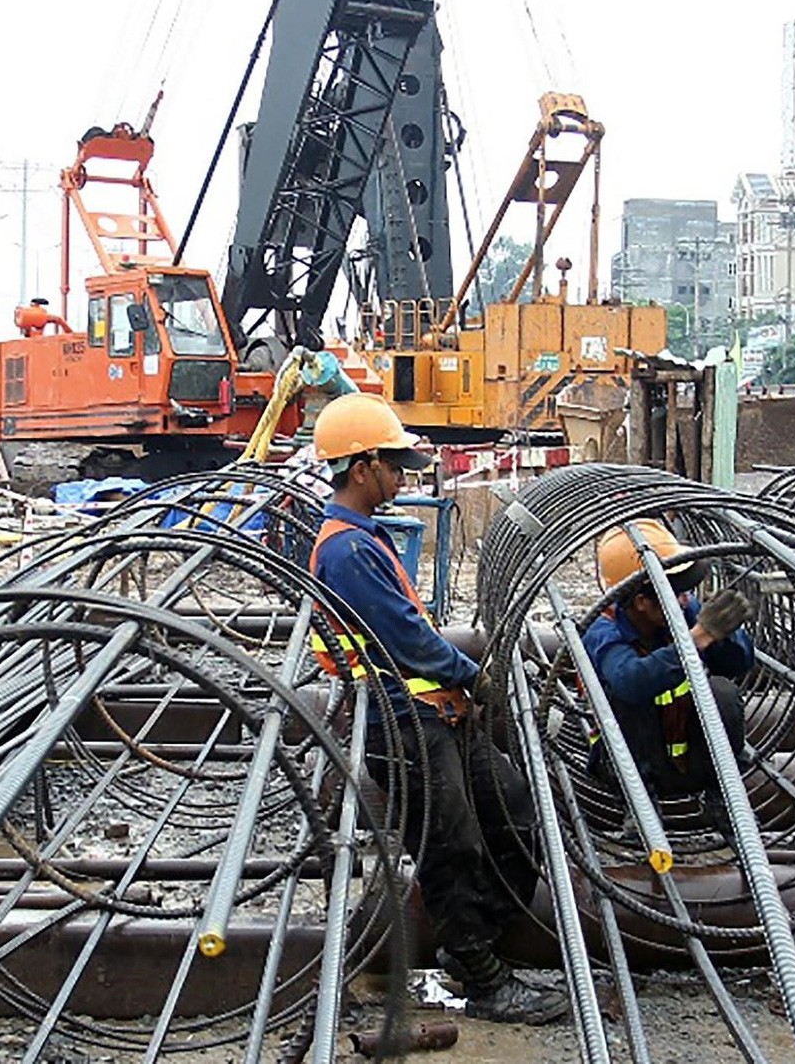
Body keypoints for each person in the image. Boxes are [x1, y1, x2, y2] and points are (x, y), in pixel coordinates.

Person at [304, 393, 568, 1025]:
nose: (401, 477)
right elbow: (409, 642)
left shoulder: (363, 540)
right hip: (406, 725)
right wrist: (476, 674)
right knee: (454, 847)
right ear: (362, 466)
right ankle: (481, 977)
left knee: (514, 812)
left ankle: (475, 944)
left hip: (437, 717)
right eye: (394, 466)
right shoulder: (345, 550)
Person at [582, 521, 755, 822]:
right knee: (624, 697)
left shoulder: (683, 610)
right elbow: (629, 682)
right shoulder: (602, 630)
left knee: (722, 691)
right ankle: (640, 808)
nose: (685, 599)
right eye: (676, 592)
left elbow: (737, 665)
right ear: (641, 602)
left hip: (691, 759)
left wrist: (725, 634)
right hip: (630, 767)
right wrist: (699, 637)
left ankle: (722, 793)